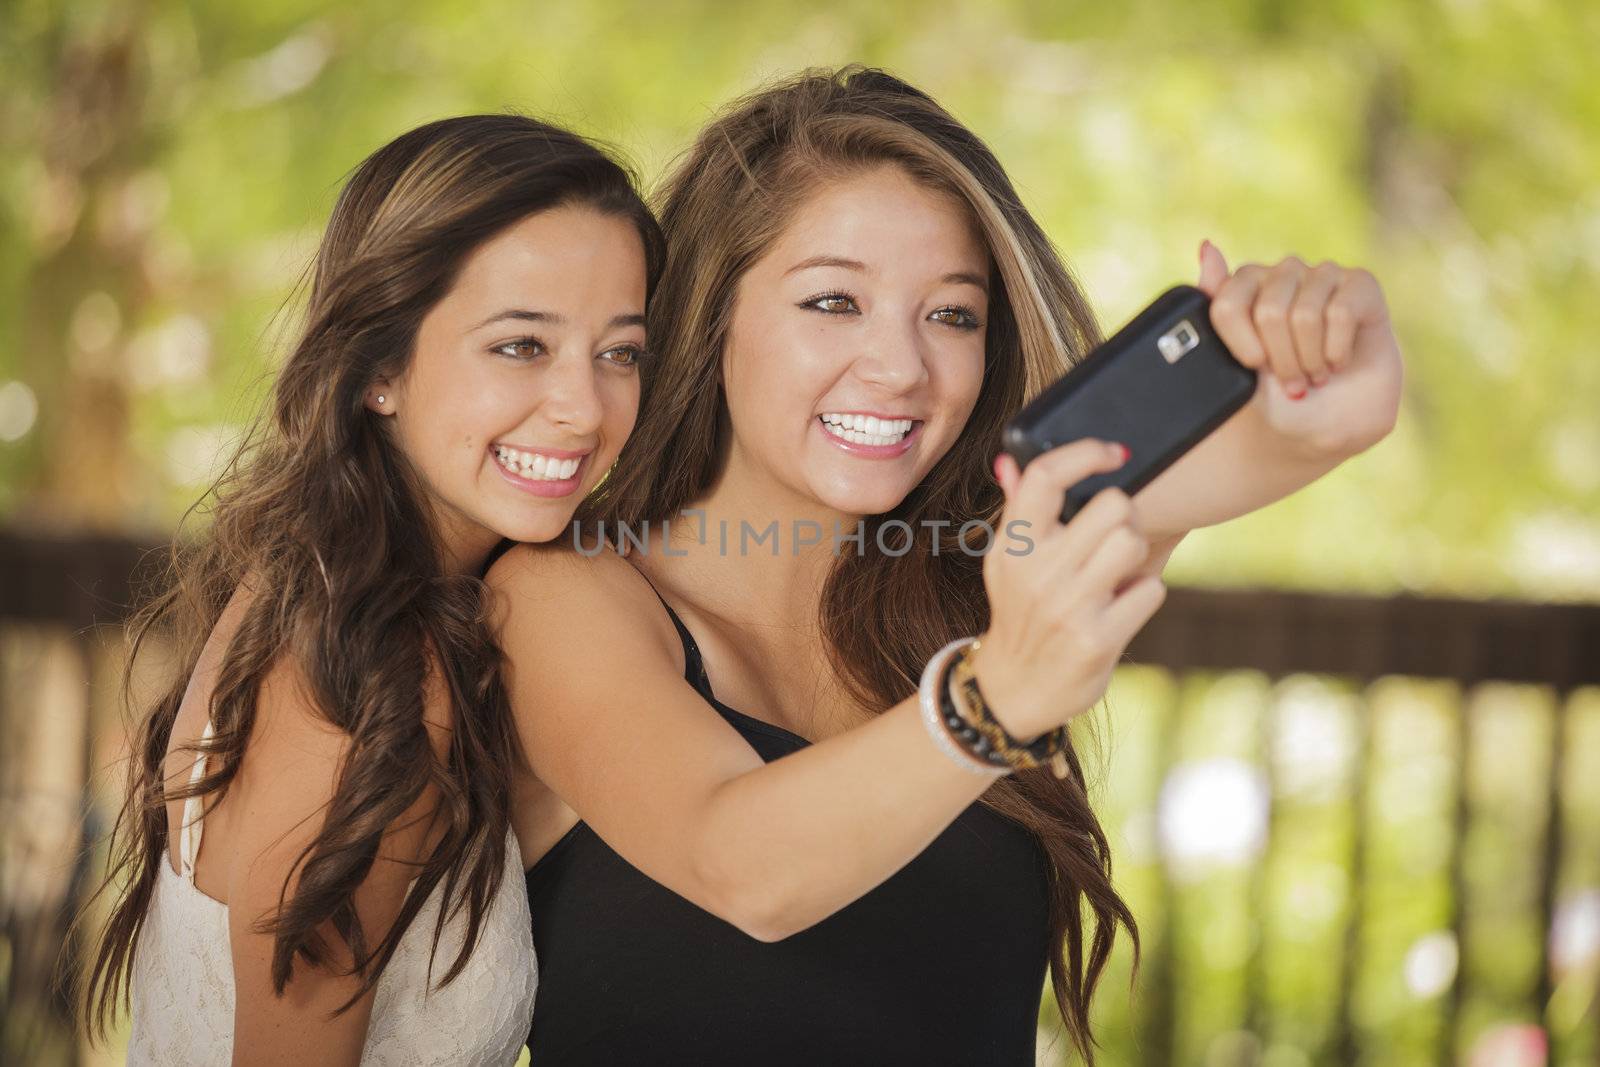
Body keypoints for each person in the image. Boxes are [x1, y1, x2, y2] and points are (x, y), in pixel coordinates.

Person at [494, 66, 1403, 1065]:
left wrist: (1337, 359)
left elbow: (1282, 438)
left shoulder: (981, 584)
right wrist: (989, 699)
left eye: (952, 315)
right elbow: (745, 866)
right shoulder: (560, 595)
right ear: (713, 316)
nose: (900, 367)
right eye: (834, 300)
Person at [80, 113, 664, 1065]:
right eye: (522, 344)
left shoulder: (317, 584)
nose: (584, 406)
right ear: (381, 369)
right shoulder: (372, 676)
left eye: (620, 352)